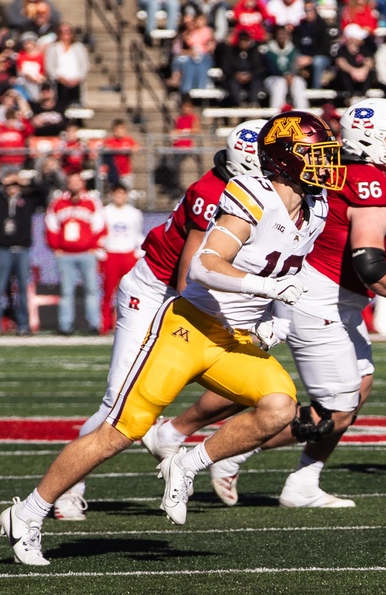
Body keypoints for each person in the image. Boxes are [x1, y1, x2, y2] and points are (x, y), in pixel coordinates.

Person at [0, 111, 343, 566]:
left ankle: (188, 462)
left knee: (279, 407)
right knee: (120, 431)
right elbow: (203, 265)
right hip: (189, 327)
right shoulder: (252, 195)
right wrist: (266, 291)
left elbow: (282, 268)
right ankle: (30, 511)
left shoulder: (316, 206)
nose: (325, 164)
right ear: (282, 159)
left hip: (233, 335)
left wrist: (271, 317)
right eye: (313, 154)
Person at [138, 99, 386, 508]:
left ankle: (298, 478)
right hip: (318, 299)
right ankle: (221, 454)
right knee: (334, 408)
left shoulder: (350, 175)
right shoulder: (363, 178)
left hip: (330, 297)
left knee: (357, 389)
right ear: (370, 140)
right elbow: (369, 259)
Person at [51, 120, 268, 520]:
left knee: (251, 380)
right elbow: (191, 273)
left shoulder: (258, 191)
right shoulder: (213, 193)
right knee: (118, 401)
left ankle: (171, 434)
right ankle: (66, 489)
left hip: (192, 296)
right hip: (157, 293)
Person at [0, 169, 48, 335]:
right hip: (2, 249)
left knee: (23, 289)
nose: (13, 188)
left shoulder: (27, 201)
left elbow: (44, 192)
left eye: (15, 185)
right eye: (10, 185)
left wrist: (26, 182)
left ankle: (23, 325)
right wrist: (2, 180)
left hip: (22, 250)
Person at [44, 171, 105, 335]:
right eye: (71, 181)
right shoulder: (58, 202)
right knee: (66, 290)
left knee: (92, 289)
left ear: (82, 183)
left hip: (87, 253)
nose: (74, 185)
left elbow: (99, 226)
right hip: (65, 254)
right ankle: (65, 325)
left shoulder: (92, 201)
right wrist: (56, 247)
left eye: (77, 181)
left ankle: (94, 324)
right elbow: (51, 226)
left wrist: (94, 246)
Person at [98, 184, 143, 334]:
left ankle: (133, 323)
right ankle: (105, 325)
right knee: (108, 291)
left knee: (132, 290)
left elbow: (137, 234)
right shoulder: (105, 212)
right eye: (117, 194)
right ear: (112, 195)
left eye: (122, 194)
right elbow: (101, 233)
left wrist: (138, 252)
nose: (120, 197)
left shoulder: (134, 213)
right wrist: (101, 252)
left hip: (128, 254)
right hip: (111, 253)